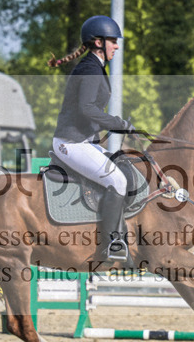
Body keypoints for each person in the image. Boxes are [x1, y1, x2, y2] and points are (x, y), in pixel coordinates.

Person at [48, 15, 135, 262]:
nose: (117, 46)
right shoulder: (90, 69)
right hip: (71, 143)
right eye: (113, 41)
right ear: (98, 42)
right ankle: (112, 245)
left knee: (124, 168)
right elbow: (86, 108)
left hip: (82, 141)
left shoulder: (94, 67)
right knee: (117, 181)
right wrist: (119, 124)